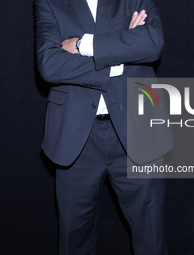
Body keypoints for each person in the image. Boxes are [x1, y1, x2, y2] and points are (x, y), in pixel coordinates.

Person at [34, 0, 174, 254]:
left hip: (138, 131)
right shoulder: (49, 2)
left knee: (151, 240)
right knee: (74, 242)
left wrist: (80, 45)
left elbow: (152, 43)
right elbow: (50, 64)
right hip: (75, 139)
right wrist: (123, 51)